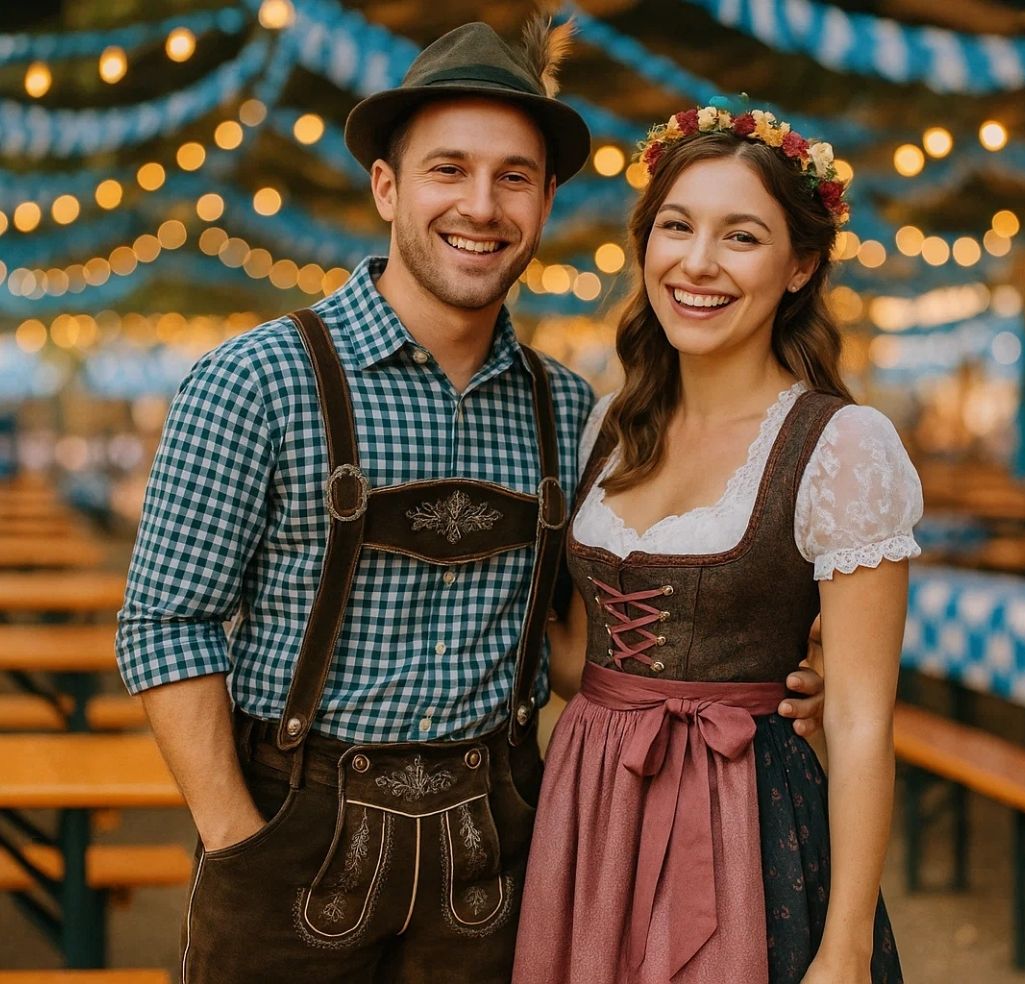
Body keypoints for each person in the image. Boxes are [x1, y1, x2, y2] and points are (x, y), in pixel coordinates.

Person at [116, 19, 828, 983]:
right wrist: (236, 837)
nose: (481, 207)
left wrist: (773, 665)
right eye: (448, 170)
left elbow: (584, 644)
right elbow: (166, 621)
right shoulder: (258, 380)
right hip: (294, 832)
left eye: (515, 178)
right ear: (387, 187)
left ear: (543, 203)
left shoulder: (569, 411)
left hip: (496, 848)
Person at [514, 103, 923, 984]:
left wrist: (846, 945)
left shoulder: (842, 446)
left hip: (749, 822)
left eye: (740, 236)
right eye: (676, 226)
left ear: (800, 265)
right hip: (589, 814)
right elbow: (581, 662)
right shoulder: (609, 432)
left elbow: (858, 720)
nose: (697, 263)